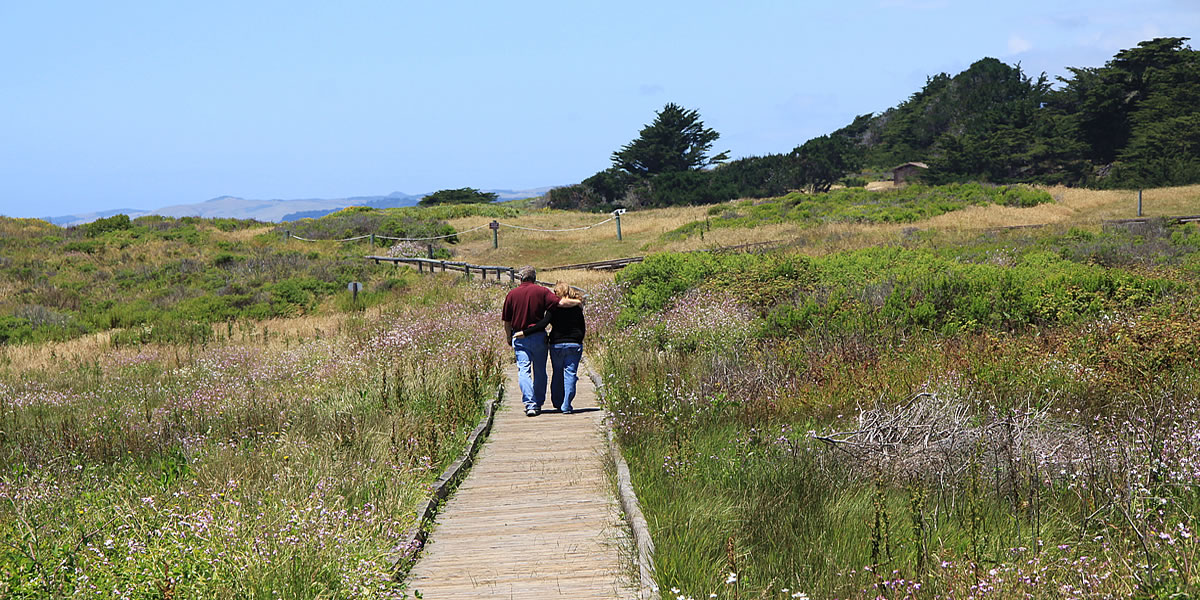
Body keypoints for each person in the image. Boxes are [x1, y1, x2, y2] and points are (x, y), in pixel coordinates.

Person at [501, 266, 579, 417]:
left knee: (523, 370)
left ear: (521, 278)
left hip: (519, 336)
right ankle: (538, 402)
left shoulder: (512, 294)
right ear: (534, 278)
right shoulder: (542, 291)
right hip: (538, 337)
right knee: (540, 371)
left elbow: (507, 321)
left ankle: (530, 404)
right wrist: (577, 302)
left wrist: (509, 337)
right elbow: (560, 303)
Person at [514, 281, 585, 414]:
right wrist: (579, 339)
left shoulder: (553, 308)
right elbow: (582, 326)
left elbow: (543, 324)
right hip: (574, 343)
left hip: (556, 344)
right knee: (570, 374)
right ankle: (566, 404)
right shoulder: (577, 307)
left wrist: (525, 333)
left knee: (557, 373)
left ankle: (558, 401)